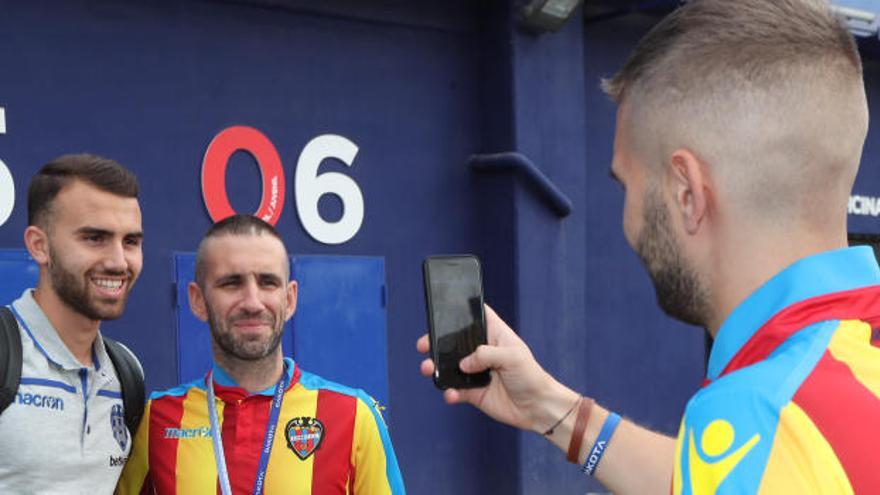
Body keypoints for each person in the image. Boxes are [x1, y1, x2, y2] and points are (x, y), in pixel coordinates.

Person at [419, 0, 880, 493]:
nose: (628, 218)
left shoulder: (764, 413)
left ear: (686, 193)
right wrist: (552, 410)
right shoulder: (798, 413)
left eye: (627, 184)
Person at [118, 214, 405, 494]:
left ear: (290, 299)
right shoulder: (157, 419)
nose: (253, 302)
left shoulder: (354, 415)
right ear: (197, 300)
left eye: (268, 282)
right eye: (231, 283)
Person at [0, 154, 145, 493]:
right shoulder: (6, 353)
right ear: (40, 246)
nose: (118, 261)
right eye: (94, 238)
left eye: (131, 242)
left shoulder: (126, 373)